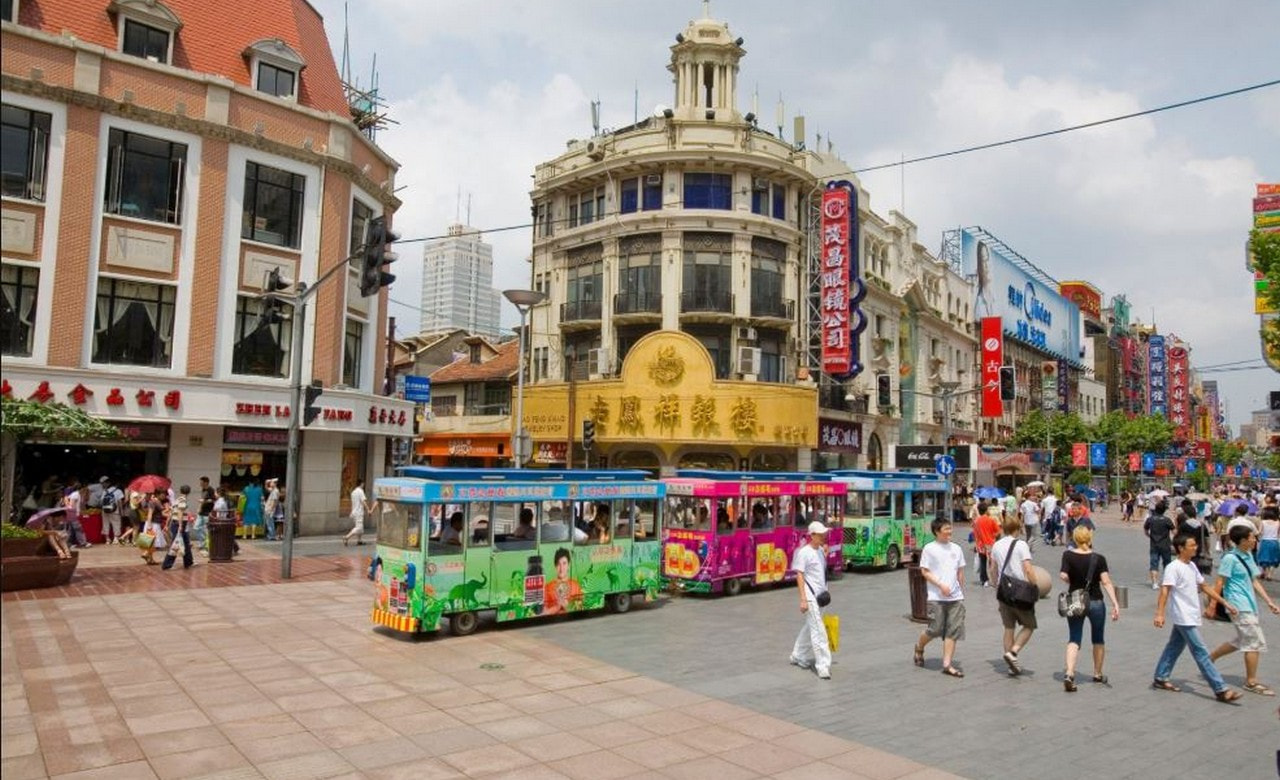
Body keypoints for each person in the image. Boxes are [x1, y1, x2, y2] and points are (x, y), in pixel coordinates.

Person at [1152, 533, 1242, 702]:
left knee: (1174, 646)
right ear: (1181, 548)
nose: (1195, 548)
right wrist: (1160, 613)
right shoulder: (1174, 567)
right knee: (1201, 652)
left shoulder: (1192, 566)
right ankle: (1220, 689)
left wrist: (1224, 602)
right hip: (1183, 616)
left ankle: (1161, 676)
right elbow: (1165, 591)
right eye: (1192, 545)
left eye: (1195, 545)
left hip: (1190, 614)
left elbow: (1205, 586)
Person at [1208, 525, 1280, 696]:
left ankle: (1209, 658)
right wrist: (1213, 605)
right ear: (1242, 540)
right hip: (1237, 605)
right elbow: (1220, 583)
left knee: (1242, 639)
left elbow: (1254, 581)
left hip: (1250, 603)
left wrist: (1269, 602)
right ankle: (1251, 682)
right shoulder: (1230, 558)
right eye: (1252, 537)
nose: (1255, 540)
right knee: (1253, 641)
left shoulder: (1247, 555)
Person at [1058, 527, 1121, 692]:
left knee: (1074, 638)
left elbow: (1063, 575)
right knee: (1098, 639)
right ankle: (1098, 673)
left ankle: (1070, 673)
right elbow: (1106, 582)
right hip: (1096, 602)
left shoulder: (1068, 555)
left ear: (1075, 539)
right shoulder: (1099, 558)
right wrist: (1115, 603)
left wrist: (1072, 579)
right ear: (1090, 538)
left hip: (1076, 600)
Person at [913, 518, 966, 678]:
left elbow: (960, 572)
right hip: (936, 596)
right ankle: (919, 647)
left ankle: (947, 664)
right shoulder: (930, 548)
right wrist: (941, 585)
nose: (950, 531)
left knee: (953, 630)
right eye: (946, 529)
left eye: (950, 528)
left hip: (955, 597)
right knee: (935, 629)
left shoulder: (956, 548)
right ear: (937, 531)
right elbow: (925, 571)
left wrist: (960, 591)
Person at [990, 513, 1037, 676]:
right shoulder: (1021, 545)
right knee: (1029, 625)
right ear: (1017, 528)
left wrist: (995, 585)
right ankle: (1013, 652)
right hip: (1021, 591)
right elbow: (1028, 569)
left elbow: (993, 569)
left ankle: (1011, 666)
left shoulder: (996, 545)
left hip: (1004, 591)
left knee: (1008, 627)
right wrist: (1035, 585)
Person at [790, 521, 833, 679]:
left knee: (811, 626)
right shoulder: (804, 553)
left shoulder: (820, 550)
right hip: (811, 597)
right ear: (812, 535)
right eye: (820, 534)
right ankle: (823, 665)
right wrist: (803, 599)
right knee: (818, 631)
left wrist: (825, 553)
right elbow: (799, 575)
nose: (823, 536)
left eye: (824, 534)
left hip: (821, 596)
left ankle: (798, 654)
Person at [1144, 499, 1175, 590]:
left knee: (1154, 564)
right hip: (1165, 544)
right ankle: (1167, 581)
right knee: (1167, 564)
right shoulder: (1167, 520)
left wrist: (1150, 536)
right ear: (1164, 510)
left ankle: (1154, 583)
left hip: (1154, 545)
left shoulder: (1150, 519)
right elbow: (1174, 531)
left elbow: (1146, 531)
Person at [543, 547, 584, 615]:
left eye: (564, 563)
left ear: (568, 565)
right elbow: (543, 613)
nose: (561, 568)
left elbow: (581, 607)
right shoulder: (548, 587)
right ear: (555, 566)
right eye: (559, 564)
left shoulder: (575, 585)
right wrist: (557, 607)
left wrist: (568, 606)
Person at [972, 505, 1000, 588]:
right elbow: (998, 532)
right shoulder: (991, 520)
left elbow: (975, 534)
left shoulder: (976, 521)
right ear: (986, 510)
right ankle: (994, 579)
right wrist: (994, 537)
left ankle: (984, 580)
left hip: (980, 545)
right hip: (991, 544)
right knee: (993, 563)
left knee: (983, 562)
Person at [343, 479, 370, 546]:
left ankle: (359, 540)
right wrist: (368, 509)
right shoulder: (360, 491)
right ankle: (347, 537)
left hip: (354, 512)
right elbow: (363, 501)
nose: (363, 485)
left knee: (360, 527)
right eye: (363, 484)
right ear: (361, 484)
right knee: (359, 528)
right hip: (359, 512)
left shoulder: (353, 492)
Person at [1257, 507, 1280, 580]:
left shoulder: (1263, 522)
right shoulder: (1278, 522)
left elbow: (1259, 532)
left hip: (1265, 541)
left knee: (1264, 558)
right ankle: (1270, 574)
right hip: (1274, 542)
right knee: (1274, 559)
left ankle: (1264, 572)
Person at [100, 477, 124, 545]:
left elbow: (102, 502)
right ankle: (115, 539)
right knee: (116, 524)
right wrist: (121, 511)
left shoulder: (105, 491)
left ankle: (107, 539)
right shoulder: (119, 491)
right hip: (115, 510)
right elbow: (120, 502)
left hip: (105, 511)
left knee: (105, 524)